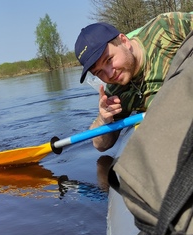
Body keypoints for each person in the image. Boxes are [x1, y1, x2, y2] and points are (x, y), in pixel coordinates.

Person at [74, 12, 193, 152]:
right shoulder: (116, 93)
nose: (110, 74)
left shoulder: (166, 28)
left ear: (124, 41)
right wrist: (103, 118)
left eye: (109, 59)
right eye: (99, 72)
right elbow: (100, 145)